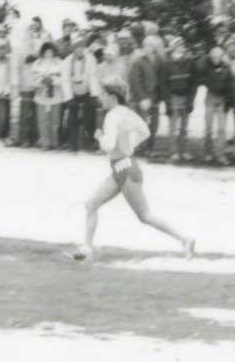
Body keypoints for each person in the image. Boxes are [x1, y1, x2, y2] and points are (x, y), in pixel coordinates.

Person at [68, 76, 195, 262]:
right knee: (91, 204)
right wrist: (130, 145)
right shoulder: (127, 112)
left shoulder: (112, 116)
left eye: (103, 94)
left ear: (112, 95)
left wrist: (99, 137)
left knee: (145, 216)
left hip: (125, 171)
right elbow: (145, 131)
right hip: (124, 168)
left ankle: (185, 239)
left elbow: (109, 146)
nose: (101, 98)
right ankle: (87, 247)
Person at [161, 36, 198, 162]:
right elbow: (164, 85)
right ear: (173, 48)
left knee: (184, 126)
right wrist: (167, 103)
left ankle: (184, 150)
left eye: (183, 45)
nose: (182, 47)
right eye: (179, 45)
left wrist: (191, 100)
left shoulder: (190, 62)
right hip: (173, 97)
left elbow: (194, 82)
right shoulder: (167, 63)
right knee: (172, 127)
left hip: (186, 96)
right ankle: (174, 151)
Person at [128, 33, 162, 155]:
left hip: (155, 97)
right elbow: (135, 81)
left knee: (154, 124)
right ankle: (139, 147)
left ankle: (149, 147)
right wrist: (142, 98)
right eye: (146, 45)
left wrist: (160, 96)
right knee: (141, 123)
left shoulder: (159, 61)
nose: (148, 48)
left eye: (151, 46)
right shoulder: (138, 62)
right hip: (142, 97)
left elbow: (162, 79)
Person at [62, 35, 97, 152]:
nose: (80, 50)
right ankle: (72, 144)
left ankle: (87, 143)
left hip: (86, 91)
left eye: (82, 47)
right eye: (77, 47)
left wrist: (94, 94)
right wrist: (68, 97)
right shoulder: (67, 61)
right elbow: (65, 80)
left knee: (88, 118)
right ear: (73, 48)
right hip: (74, 92)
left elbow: (93, 76)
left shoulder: (90, 59)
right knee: (72, 119)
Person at [201, 47, 233, 164]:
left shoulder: (227, 68)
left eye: (219, 56)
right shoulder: (207, 67)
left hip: (222, 98)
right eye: (214, 56)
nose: (216, 59)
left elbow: (230, 84)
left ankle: (220, 154)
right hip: (211, 97)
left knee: (221, 128)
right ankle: (207, 152)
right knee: (208, 128)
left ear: (222, 56)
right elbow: (204, 79)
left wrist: (228, 100)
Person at [33, 42, 66, 150]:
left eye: (51, 51)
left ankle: (55, 142)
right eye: (46, 51)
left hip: (55, 94)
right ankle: (44, 142)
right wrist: (41, 81)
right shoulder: (37, 63)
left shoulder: (59, 63)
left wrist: (53, 80)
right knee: (42, 120)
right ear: (43, 52)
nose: (49, 53)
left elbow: (64, 78)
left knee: (55, 120)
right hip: (41, 94)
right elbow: (32, 78)